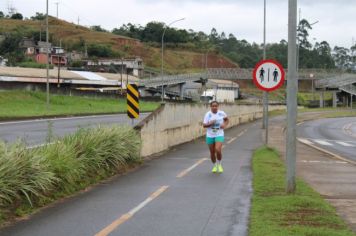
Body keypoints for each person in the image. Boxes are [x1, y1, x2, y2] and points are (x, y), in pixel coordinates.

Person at [203, 101, 229, 173]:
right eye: (213, 106)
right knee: (212, 152)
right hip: (210, 135)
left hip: (219, 134)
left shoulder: (222, 113)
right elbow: (204, 125)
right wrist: (210, 123)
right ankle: (215, 165)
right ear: (210, 107)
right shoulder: (208, 114)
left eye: (216, 106)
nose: (214, 107)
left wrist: (224, 125)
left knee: (218, 149)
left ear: (218, 106)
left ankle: (219, 164)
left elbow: (227, 120)